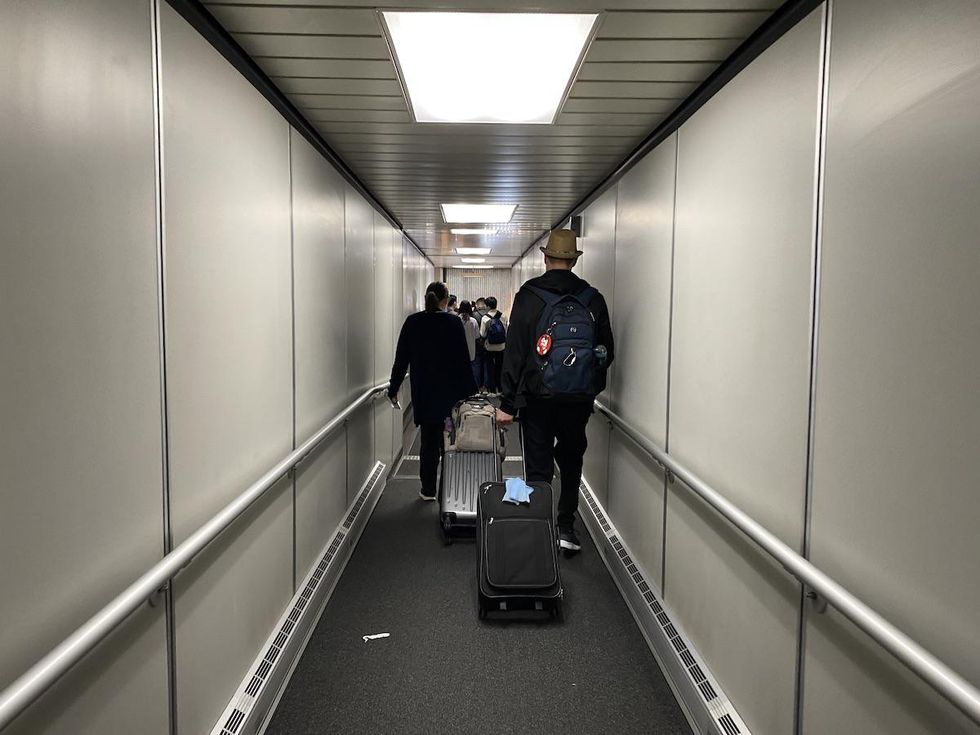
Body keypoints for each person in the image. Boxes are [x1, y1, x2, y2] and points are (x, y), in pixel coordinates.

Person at [496, 230, 614, 554]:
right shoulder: (593, 299)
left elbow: (516, 351)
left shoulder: (529, 295)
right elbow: (606, 352)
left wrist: (507, 402)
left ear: (546, 258)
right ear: (573, 261)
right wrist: (589, 387)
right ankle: (566, 528)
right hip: (577, 399)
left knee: (538, 465)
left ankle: (539, 528)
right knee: (572, 460)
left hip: (537, 398)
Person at [389, 281, 476, 501]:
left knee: (428, 441)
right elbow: (463, 361)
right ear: (446, 300)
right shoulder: (453, 323)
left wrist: (393, 387)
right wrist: (471, 393)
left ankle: (428, 489)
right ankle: (448, 488)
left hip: (424, 393)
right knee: (449, 441)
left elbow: (401, 359)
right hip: (450, 395)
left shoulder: (413, 322)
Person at [479, 296, 507, 393]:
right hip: (501, 346)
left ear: (487, 306)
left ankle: (492, 390)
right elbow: (506, 331)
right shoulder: (503, 316)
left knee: (490, 368)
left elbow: (482, 334)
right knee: (500, 367)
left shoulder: (485, 318)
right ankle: (500, 388)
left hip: (489, 347)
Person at [458, 300, 482, 387]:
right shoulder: (473, 321)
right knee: (473, 370)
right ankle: (473, 389)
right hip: (471, 350)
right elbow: (477, 336)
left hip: (459, 350)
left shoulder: (457, 320)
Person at [472, 297, 490, 392]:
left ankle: (477, 386)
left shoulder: (474, 315)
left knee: (477, 365)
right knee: (487, 365)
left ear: (477, 305)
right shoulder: (490, 314)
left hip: (477, 344)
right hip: (489, 344)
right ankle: (486, 385)